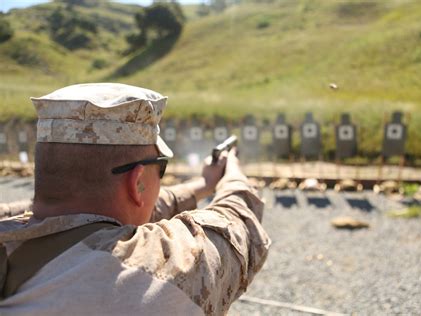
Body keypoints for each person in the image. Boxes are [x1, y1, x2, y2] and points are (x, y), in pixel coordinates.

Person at [0, 83, 271, 315]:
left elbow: (112, 212)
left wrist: (205, 183)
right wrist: (232, 172)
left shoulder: (10, 228)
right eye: (160, 169)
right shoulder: (148, 270)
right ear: (137, 182)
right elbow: (236, 225)